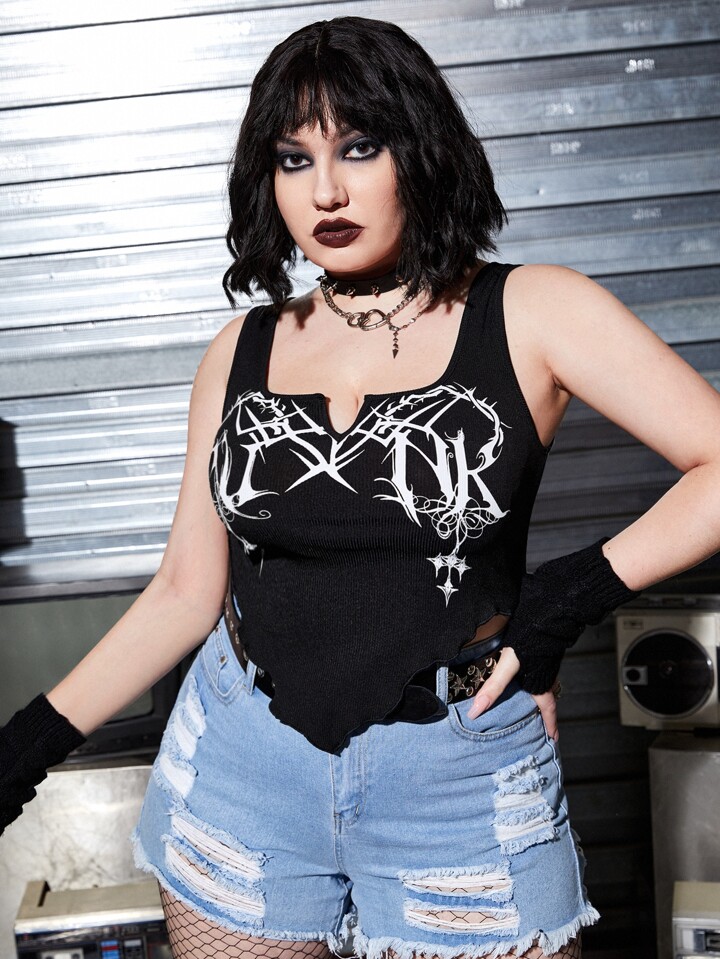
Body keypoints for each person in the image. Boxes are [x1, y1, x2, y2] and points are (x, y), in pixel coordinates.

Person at [2, 15, 720, 959]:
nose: (326, 191)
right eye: (293, 159)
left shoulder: (531, 311)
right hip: (242, 766)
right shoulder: (242, 348)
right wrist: (24, 747)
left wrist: (565, 596)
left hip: (455, 778)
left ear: (420, 151)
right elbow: (184, 590)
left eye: (359, 147)